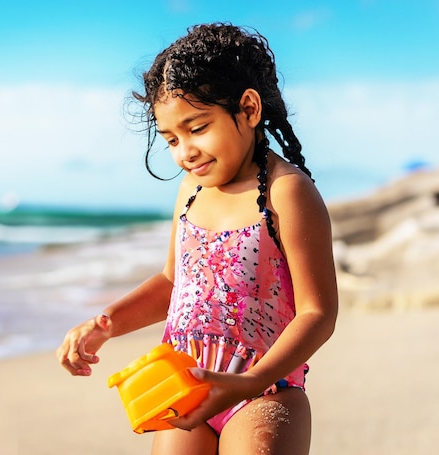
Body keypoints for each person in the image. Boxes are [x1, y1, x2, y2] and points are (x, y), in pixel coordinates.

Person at [56, 22, 338, 455]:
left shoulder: (286, 192)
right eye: (171, 138)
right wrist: (107, 322)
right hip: (185, 385)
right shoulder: (190, 190)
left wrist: (250, 381)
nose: (184, 151)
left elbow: (317, 312)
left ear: (247, 109)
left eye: (198, 127)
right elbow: (173, 283)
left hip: (264, 391)